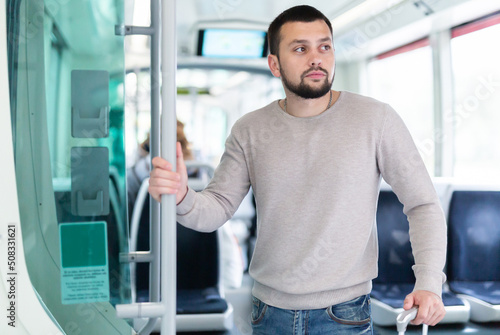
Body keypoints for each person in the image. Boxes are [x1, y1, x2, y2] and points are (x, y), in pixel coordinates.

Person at [148, 5, 446, 334]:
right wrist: (181, 196)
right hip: (268, 314)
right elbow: (215, 208)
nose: (316, 58)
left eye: (325, 46)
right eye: (300, 49)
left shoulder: (376, 120)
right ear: (274, 64)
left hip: (344, 314)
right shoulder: (249, 130)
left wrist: (430, 283)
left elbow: (423, 204)